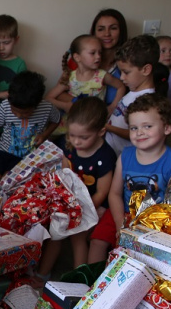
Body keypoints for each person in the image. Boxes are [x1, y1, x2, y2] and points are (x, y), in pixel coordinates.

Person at [89, 94, 171, 262]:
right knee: (98, 241)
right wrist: (121, 224)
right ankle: (90, 283)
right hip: (122, 211)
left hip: (153, 219)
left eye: (147, 126)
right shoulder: (125, 156)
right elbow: (115, 194)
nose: (139, 132)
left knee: (140, 255)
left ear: (167, 128)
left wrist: (147, 229)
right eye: (133, 128)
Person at [35, 98, 115, 281]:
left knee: (77, 238)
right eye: (72, 135)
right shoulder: (68, 145)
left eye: (83, 137)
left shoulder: (105, 157)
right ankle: (42, 274)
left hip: (91, 205)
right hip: (69, 199)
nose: (76, 141)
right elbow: (65, 173)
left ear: (101, 131)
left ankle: (78, 281)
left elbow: (102, 192)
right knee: (56, 234)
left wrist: (79, 209)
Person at [0, 70, 61, 190]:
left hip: (27, 158)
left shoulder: (47, 108)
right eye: (14, 111)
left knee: (8, 182)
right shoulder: (5, 106)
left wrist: (44, 135)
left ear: (37, 104)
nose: (19, 115)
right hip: (2, 152)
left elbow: (56, 120)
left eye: (25, 113)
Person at [105, 35, 161, 156]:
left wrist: (107, 127)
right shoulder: (133, 91)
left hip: (122, 158)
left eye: (126, 72)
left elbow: (137, 133)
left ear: (146, 70)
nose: (121, 78)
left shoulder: (147, 101)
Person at [45, 34, 126, 117]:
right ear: (77, 57)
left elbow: (121, 86)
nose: (98, 56)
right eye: (92, 53)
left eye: (100, 53)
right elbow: (48, 98)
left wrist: (113, 107)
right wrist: (65, 106)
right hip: (71, 121)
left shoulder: (102, 76)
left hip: (94, 121)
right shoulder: (69, 77)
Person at [0, 14, 27, 118]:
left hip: (8, 115)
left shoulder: (19, 64)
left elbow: (20, 91)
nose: (1, 48)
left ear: (16, 40)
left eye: (6, 43)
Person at [90, 9, 129, 106]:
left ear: (121, 31)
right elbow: (61, 92)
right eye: (101, 29)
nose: (107, 34)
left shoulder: (130, 61)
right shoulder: (81, 57)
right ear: (94, 33)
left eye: (113, 28)